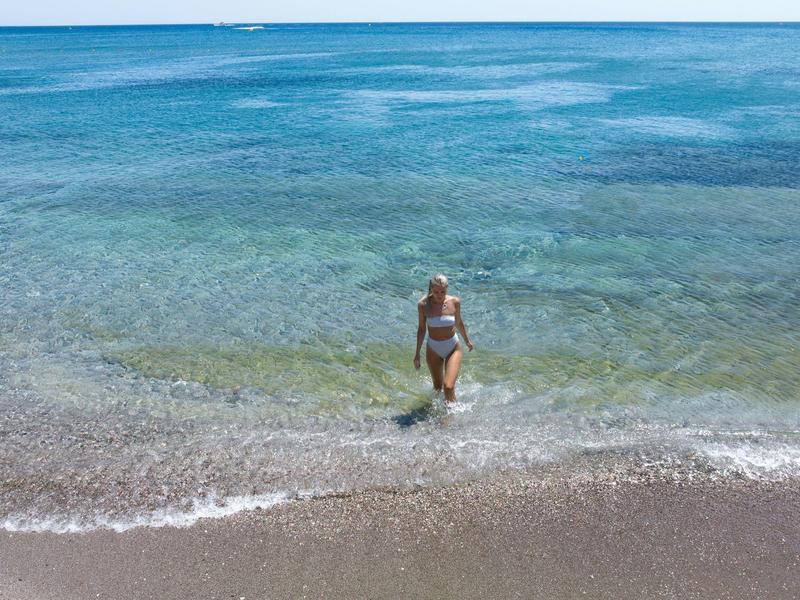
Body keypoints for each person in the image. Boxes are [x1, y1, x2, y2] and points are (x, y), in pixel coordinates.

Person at [413, 274, 474, 405]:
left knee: (448, 386)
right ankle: (439, 411)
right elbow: (422, 329)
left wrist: (467, 341)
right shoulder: (423, 305)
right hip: (433, 349)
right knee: (437, 388)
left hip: (453, 347)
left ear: (447, 289)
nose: (439, 295)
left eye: (443, 291)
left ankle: (451, 417)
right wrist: (417, 354)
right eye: (436, 292)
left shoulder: (455, 302)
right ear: (430, 289)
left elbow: (459, 323)